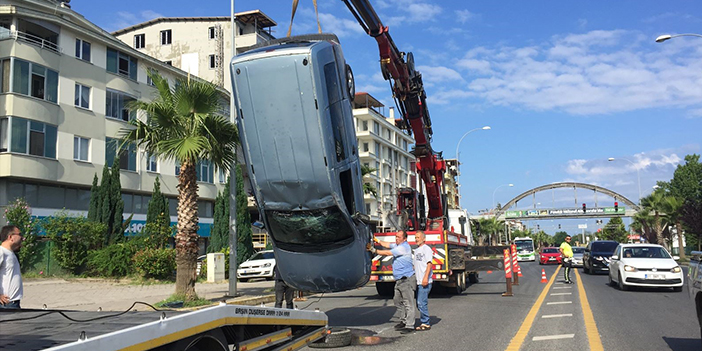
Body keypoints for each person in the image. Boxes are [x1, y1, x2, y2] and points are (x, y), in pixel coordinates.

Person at [369, 231, 416, 334]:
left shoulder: (403, 247)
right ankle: (403, 321)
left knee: (408, 303)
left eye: (399, 237)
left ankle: (410, 325)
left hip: (406, 279)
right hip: (399, 280)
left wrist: (373, 250)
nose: (396, 238)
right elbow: (387, 245)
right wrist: (377, 240)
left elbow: (387, 252)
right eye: (396, 237)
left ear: (404, 239)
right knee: (397, 301)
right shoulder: (397, 245)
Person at [413, 231, 433, 331]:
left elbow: (429, 264)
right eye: (415, 237)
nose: (416, 239)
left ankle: (425, 323)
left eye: (418, 237)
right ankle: (424, 319)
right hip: (418, 281)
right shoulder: (416, 251)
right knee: (419, 303)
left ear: (424, 239)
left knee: (421, 302)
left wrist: (425, 278)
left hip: (425, 281)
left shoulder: (427, 249)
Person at [0, 225, 23, 309]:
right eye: (20, 234)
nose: (22, 237)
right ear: (10, 237)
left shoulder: (11, 253)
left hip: (13, 302)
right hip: (5, 303)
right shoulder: (2, 252)